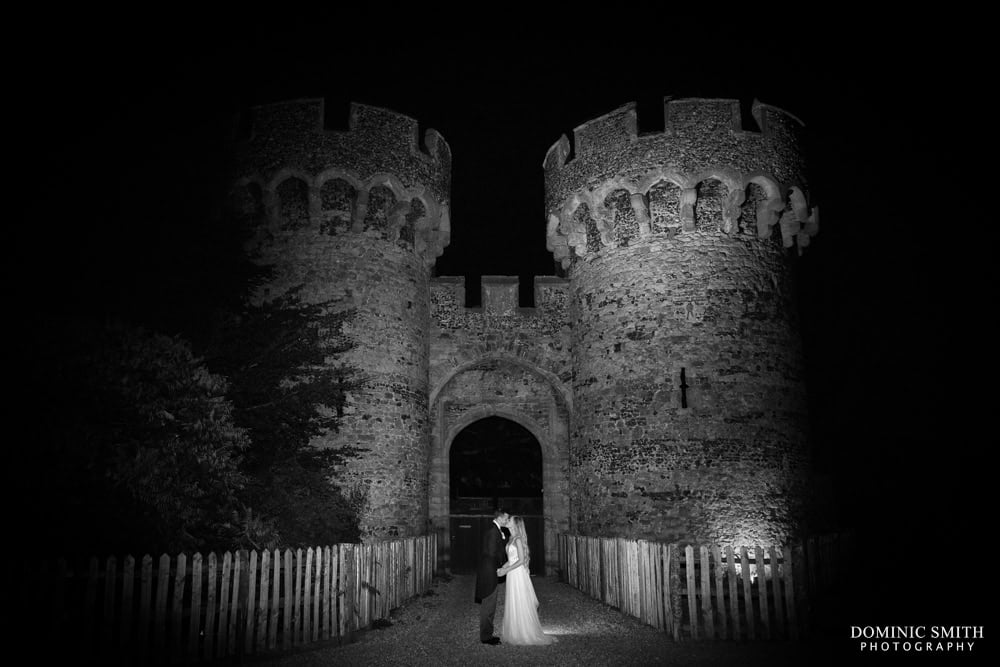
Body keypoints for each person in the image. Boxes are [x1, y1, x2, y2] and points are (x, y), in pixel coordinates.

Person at [496, 516, 556, 645]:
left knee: (520, 599)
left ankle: (525, 632)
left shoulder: (517, 539)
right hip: (513, 572)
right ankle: (515, 631)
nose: (507, 521)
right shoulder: (511, 539)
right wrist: (503, 567)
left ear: (515, 524)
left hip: (517, 574)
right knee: (514, 599)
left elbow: (521, 560)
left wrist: (506, 570)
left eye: (510, 520)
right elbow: (512, 559)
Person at [474, 509, 510, 645]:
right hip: (489, 572)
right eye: (506, 519)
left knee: (490, 604)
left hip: (491, 570)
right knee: (488, 605)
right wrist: (502, 567)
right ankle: (486, 637)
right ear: (500, 518)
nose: (507, 521)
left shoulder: (497, 530)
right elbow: (491, 554)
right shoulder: (492, 532)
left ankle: (487, 634)